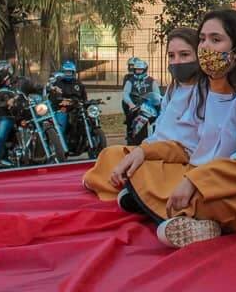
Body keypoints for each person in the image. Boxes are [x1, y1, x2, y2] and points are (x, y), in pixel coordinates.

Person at [116, 10, 236, 248]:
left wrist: (195, 181)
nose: (205, 47)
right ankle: (194, 219)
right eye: (202, 39)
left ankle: (182, 213)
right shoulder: (213, 91)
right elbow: (198, 149)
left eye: (216, 40)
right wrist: (144, 152)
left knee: (200, 196)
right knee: (143, 167)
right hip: (214, 177)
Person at [83, 28, 207, 199]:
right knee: (110, 154)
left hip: (178, 159)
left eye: (184, 54)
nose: (177, 61)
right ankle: (131, 190)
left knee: (144, 171)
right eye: (171, 56)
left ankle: (134, 193)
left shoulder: (207, 91)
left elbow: (195, 146)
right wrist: (143, 149)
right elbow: (160, 130)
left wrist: (149, 152)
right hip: (154, 151)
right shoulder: (173, 88)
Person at [48, 60, 87, 141]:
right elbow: (53, 98)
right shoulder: (58, 83)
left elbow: (84, 97)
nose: (68, 74)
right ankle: (60, 142)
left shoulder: (78, 83)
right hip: (62, 108)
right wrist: (61, 101)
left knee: (88, 116)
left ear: (74, 72)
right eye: (66, 72)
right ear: (63, 72)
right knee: (61, 118)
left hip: (76, 107)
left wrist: (85, 103)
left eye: (70, 72)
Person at [122, 57, 161, 129]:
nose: (138, 71)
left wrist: (157, 102)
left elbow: (157, 93)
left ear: (144, 70)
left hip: (149, 105)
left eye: (140, 70)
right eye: (137, 70)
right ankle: (130, 133)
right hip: (135, 105)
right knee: (130, 118)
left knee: (159, 116)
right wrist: (130, 104)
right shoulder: (130, 81)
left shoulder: (151, 80)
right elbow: (125, 94)